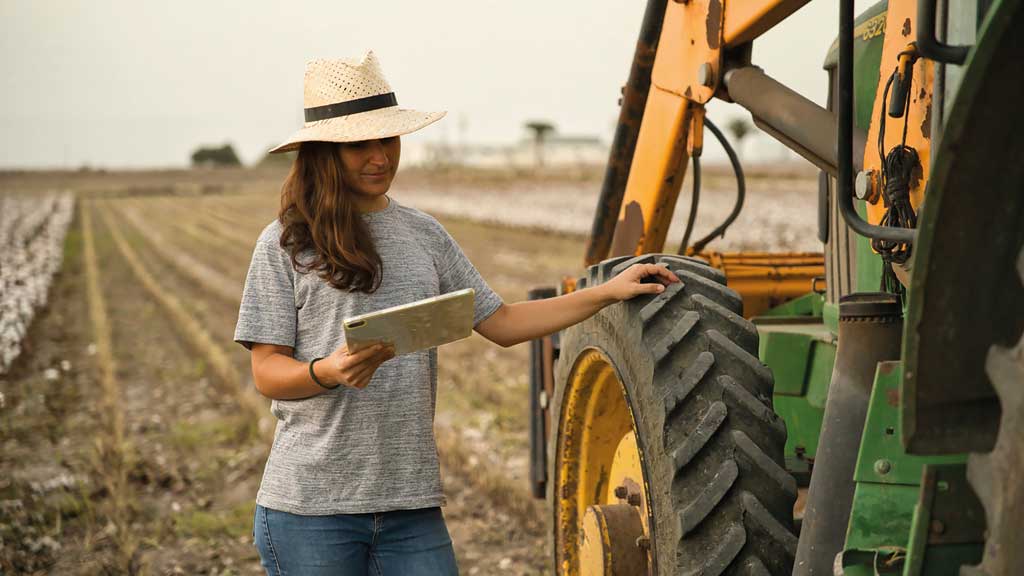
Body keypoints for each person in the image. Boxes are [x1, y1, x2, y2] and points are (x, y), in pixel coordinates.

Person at [233, 51, 679, 576]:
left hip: (410, 506)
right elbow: (267, 371)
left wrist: (606, 292)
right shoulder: (285, 243)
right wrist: (326, 372)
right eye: (359, 144)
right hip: (310, 509)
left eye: (388, 140)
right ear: (324, 153)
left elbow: (504, 323)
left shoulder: (425, 235)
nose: (379, 156)